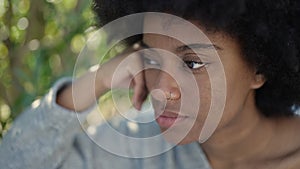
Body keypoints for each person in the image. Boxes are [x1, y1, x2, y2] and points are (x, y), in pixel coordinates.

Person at [1, 0, 300, 168]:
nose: (160, 89)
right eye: (153, 61)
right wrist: (99, 79)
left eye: (192, 63)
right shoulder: (136, 149)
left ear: (259, 68)